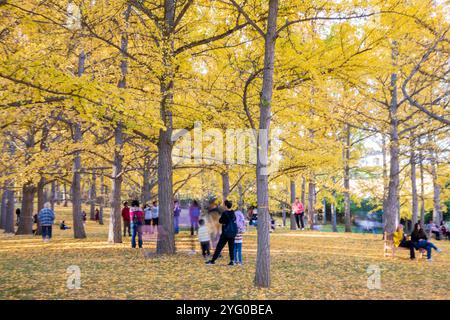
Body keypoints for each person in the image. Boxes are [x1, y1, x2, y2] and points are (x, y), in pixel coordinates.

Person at [206, 200, 237, 266]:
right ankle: (232, 261)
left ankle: (213, 260)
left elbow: (220, 221)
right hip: (232, 233)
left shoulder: (225, 213)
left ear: (226, 206)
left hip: (225, 233)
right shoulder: (233, 213)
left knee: (219, 247)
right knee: (231, 247)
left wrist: (224, 222)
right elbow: (234, 220)